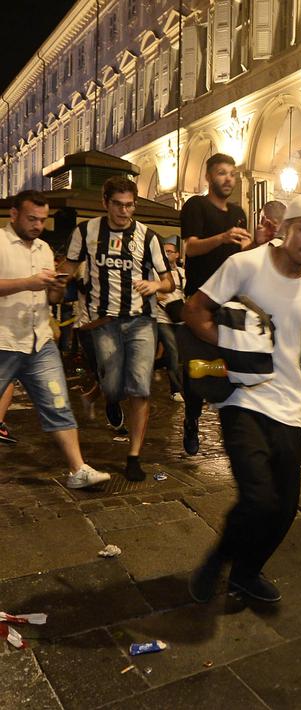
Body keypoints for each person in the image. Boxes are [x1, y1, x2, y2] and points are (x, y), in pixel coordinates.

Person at [185, 193, 301, 604]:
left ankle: (244, 575)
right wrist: (231, 346)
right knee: (258, 497)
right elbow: (195, 311)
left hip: (288, 407)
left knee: (283, 509)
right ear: (283, 230)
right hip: (242, 400)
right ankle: (218, 562)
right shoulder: (244, 265)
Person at [62, 176, 173, 482]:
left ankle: (134, 455)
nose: (125, 212)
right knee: (113, 387)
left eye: (130, 205)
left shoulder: (147, 237)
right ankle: (103, 395)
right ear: (105, 203)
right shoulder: (86, 232)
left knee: (140, 386)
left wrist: (155, 284)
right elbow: (69, 269)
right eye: (118, 205)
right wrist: (55, 281)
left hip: (141, 321)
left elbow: (169, 281)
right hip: (104, 322)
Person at [0, 190, 109, 488]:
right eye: (31, 218)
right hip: (4, 340)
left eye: (42, 220)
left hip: (40, 341)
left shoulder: (44, 249)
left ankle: (78, 469)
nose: (37, 225)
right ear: (14, 214)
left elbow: (49, 296)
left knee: (58, 402)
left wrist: (58, 288)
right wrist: (28, 283)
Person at [180, 153, 251, 455]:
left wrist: (256, 244)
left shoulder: (238, 212)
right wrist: (222, 237)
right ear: (208, 176)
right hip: (201, 299)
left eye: (232, 174)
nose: (228, 179)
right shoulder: (196, 206)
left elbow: (243, 256)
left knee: (234, 362)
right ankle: (192, 417)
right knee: (198, 366)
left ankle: (234, 423)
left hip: (232, 301)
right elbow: (190, 247)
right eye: (222, 173)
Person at [154, 239, 187, 403]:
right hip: (162, 317)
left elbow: (184, 293)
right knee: (173, 353)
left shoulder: (181, 272)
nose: (167, 254)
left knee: (178, 355)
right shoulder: (156, 273)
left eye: (170, 251)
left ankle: (151, 366)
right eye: (164, 252)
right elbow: (151, 293)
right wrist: (161, 299)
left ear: (177, 254)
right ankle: (176, 390)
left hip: (178, 318)